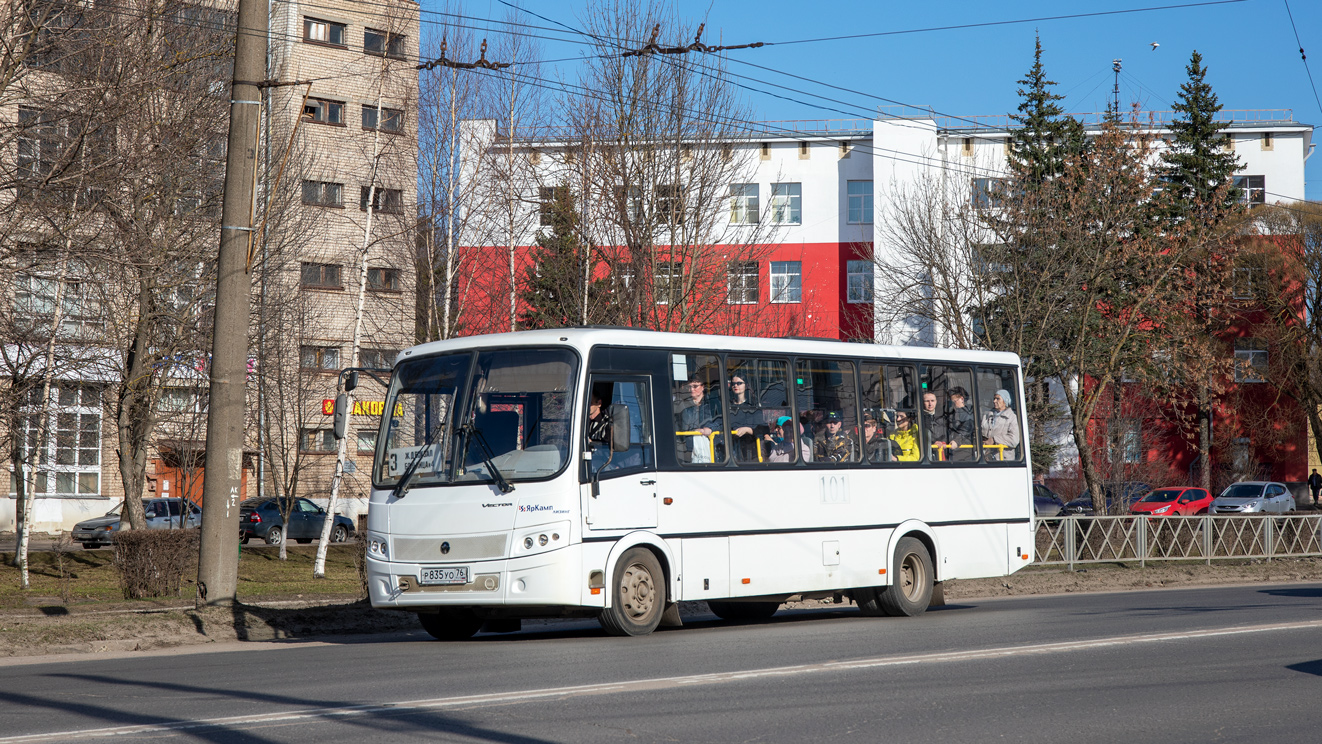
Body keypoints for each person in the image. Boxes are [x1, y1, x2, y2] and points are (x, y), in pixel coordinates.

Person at [677, 375, 721, 463]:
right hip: (689, 448)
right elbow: (679, 425)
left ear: (703, 387)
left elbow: (721, 420)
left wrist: (710, 428)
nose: (692, 389)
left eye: (695, 386)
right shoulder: (684, 405)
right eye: (689, 387)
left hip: (711, 445)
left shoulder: (713, 402)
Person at [727, 373, 762, 461]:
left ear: (746, 385)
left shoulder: (753, 406)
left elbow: (763, 428)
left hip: (750, 450)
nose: (736, 385)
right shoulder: (727, 406)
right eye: (733, 383)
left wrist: (747, 429)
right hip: (732, 450)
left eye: (739, 383)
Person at [981, 388, 1021, 459]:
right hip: (986, 458)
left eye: (998, 399)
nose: (994, 401)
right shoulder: (987, 415)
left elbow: (1014, 439)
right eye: (994, 398)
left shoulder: (1012, 417)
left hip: (1003, 459)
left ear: (1005, 401)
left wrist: (994, 440)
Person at [921, 392, 953, 461]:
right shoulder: (918, 419)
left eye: (932, 401)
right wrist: (933, 443)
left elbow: (949, 433)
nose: (930, 404)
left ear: (936, 402)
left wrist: (943, 442)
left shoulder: (943, 417)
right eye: (927, 401)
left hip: (943, 453)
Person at [946, 386, 976, 461]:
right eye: (951, 402)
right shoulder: (953, 413)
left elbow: (966, 430)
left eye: (954, 401)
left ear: (962, 399)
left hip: (964, 449)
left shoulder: (968, 413)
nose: (952, 404)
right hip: (953, 448)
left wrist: (957, 441)